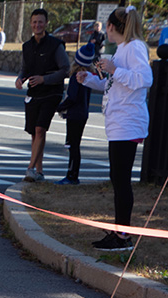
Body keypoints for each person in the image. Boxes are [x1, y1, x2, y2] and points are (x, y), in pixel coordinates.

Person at [78, 6, 153, 251]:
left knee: (121, 180)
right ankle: (120, 231)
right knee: (117, 178)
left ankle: (124, 237)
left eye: (106, 26)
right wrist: (89, 80)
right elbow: (115, 84)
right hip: (118, 121)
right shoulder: (121, 49)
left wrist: (114, 69)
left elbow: (144, 79)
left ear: (111, 26)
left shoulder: (135, 47)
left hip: (128, 122)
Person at [15, 8, 69, 182]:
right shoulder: (27, 46)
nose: (37, 25)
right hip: (33, 93)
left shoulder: (55, 45)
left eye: (40, 22)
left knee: (40, 129)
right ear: (30, 24)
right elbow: (25, 68)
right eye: (34, 22)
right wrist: (20, 79)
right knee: (35, 133)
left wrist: (44, 79)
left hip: (51, 92)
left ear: (46, 24)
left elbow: (65, 70)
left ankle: (30, 169)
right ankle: (39, 172)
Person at [55, 42, 94, 186]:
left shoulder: (75, 78)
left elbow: (71, 97)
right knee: (76, 145)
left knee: (72, 145)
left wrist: (59, 107)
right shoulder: (88, 76)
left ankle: (71, 175)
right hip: (83, 113)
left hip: (74, 115)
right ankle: (73, 174)